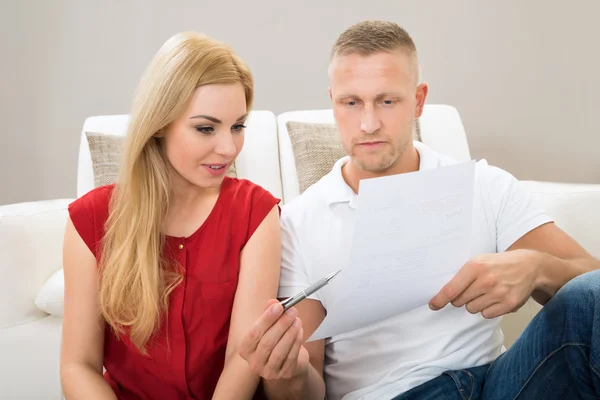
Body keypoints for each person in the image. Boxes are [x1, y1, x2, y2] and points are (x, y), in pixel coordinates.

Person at [238, 20, 600, 400]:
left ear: (419, 99)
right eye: (351, 102)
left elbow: (591, 287)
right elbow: (304, 388)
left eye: (387, 101)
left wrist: (537, 268)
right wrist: (287, 373)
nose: (369, 123)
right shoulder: (299, 223)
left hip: (501, 384)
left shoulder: (483, 185)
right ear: (333, 102)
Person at [59, 31, 281, 400]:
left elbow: (242, 361)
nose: (228, 148)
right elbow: (77, 365)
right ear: (160, 123)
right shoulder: (90, 220)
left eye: (238, 126)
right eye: (206, 128)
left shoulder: (256, 214)